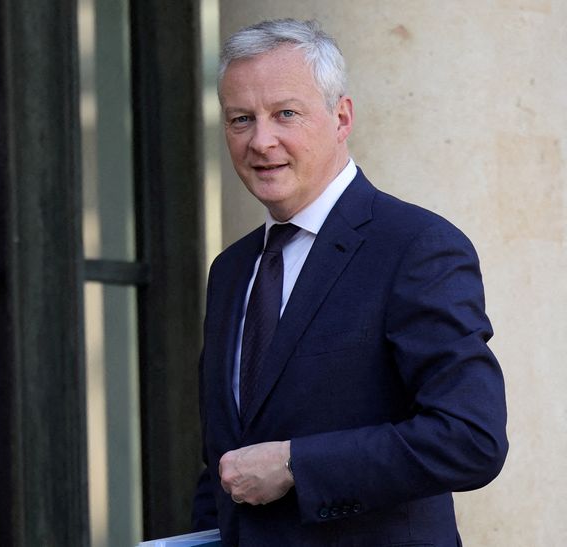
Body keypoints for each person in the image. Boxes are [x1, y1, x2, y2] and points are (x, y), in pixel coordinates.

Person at [191, 18, 508, 546]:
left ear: (341, 118)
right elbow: (223, 463)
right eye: (240, 119)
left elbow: (470, 438)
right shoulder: (231, 269)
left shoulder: (415, 247)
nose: (261, 140)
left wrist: (296, 464)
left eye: (285, 113)